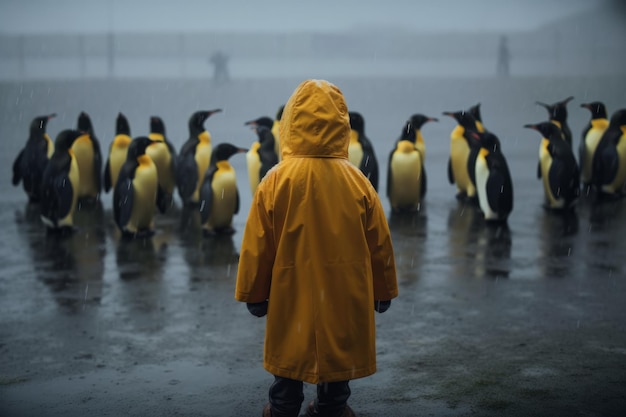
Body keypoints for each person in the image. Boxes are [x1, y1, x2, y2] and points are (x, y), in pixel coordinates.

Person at [235, 79, 398, 417]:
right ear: (341, 125)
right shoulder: (358, 182)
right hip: (344, 292)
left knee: (289, 361)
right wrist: (383, 290)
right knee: (337, 360)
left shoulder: (275, 181)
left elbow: (257, 244)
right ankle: (332, 408)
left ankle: (282, 408)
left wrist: (254, 291)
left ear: (290, 125)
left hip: (290, 291)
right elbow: (379, 243)